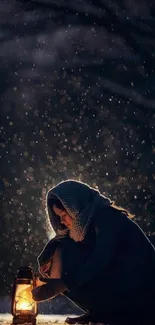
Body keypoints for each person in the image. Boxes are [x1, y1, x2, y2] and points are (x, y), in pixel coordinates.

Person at [32, 179, 155, 325]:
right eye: (58, 217)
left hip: (144, 298)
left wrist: (61, 284)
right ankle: (101, 312)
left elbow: (99, 261)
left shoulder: (107, 219)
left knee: (65, 253)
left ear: (74, 207)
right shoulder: (88, 229)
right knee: (60, 248)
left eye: (64, 215)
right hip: (124, 290)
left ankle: (111, 314)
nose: (62, 221)